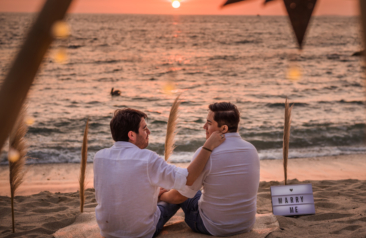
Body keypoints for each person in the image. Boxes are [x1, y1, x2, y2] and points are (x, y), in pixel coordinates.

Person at [93, 108, 225, 238]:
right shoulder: (147, 159)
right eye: (144, 128)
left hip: (107, 231)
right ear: (131, 135)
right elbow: (188, 179)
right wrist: (208, 146)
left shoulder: (99, 157)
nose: (149, 132)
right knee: (183, 191)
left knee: (162, 188)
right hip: (141, 233)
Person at [159, 102, 260, 236]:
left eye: (209, 123)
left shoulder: (207, 153)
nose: (204, 126)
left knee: (179, 192)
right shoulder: (252, 149)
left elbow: (179, 197)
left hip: (213, 226)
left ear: (223, 128)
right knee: (192, 190)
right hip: (245, 224)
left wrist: (162, 195)